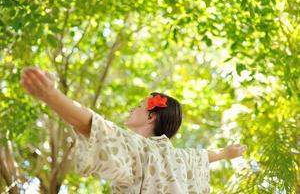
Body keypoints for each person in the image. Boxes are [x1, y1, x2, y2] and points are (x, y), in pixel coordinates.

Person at [20, 66, 248, 194]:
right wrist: (226, 153)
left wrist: (51, 95)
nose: (132, 108)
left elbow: (92, 125)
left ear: (151, 115)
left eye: (138, 105)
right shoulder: (181, 158)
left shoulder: (138, 149)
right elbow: (204, 156)